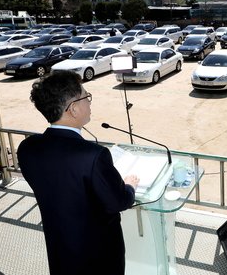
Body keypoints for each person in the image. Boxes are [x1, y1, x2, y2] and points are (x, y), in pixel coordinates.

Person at [17, 70, 139, 275]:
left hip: (60, 248)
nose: (89, 103)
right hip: (99, 254)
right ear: (73, 109)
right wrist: (129, 186)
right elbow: (118, 202)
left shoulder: (27, 148)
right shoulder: (93, 156)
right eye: (86, 97)